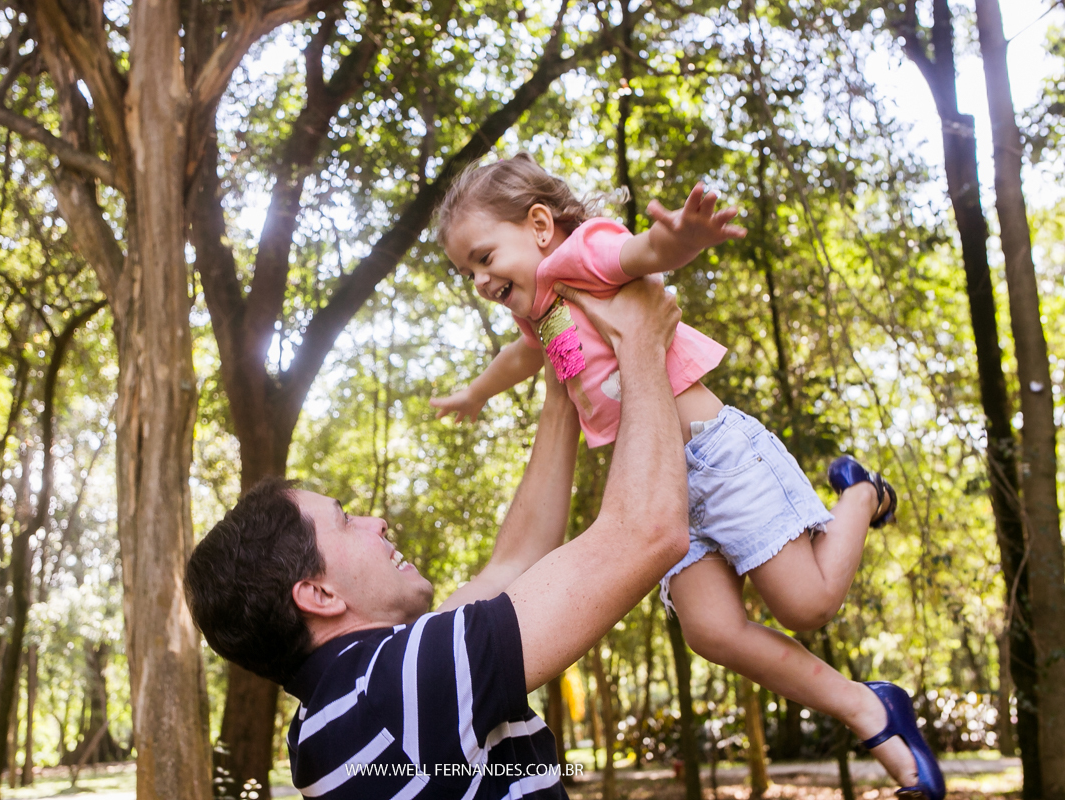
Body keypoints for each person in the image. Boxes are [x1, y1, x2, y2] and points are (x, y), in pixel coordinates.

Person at [431, 153, 943, 799]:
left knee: (807, 605)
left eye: (483, 256)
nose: (478, 279)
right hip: (659, 489)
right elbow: (519, 358)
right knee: (711, 632)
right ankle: (867, 706)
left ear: (538, 225)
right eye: (466, 271)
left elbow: (639, 253)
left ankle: (861, 492)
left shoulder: (579, 256)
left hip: (716, 458)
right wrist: (476, 394)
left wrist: (682, 239)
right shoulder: (539, 313)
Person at [186, 280, 693, 799]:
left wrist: (561, 370)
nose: (376, 522)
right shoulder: (393, 688)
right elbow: (647, 530)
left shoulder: (345, 712)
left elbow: (512, 563)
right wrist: (640, 340)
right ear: (319, 594)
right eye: (344, 520)